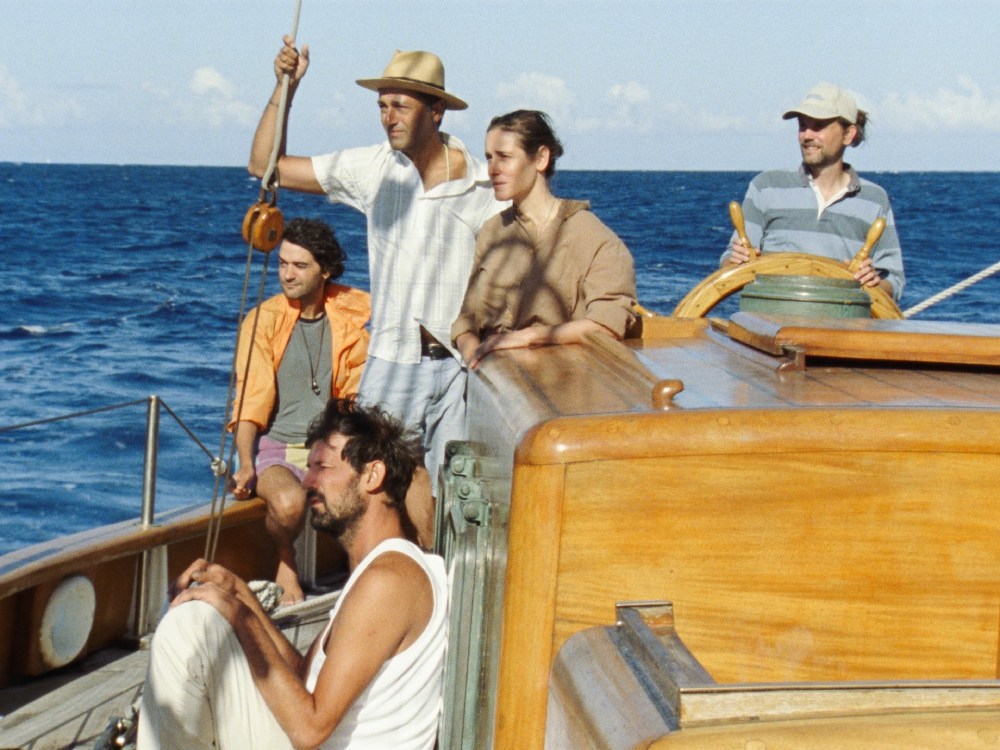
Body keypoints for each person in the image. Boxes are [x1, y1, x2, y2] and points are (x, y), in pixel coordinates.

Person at [248, 38, 504, 544]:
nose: (388, 117)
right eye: (382, 105)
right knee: (366, 487)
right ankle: (364, 592)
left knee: (451, 490)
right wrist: (286, 87)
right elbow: (265, 167)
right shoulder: (373, 169)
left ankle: (434, 586)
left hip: (459, 365)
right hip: (392, 359)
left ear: (435, 110)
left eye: (400, 105)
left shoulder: (481, 185)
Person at [139, 398, 448, 750]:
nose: (307, 482)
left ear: (372, 476)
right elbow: (304, 681)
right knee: (202, 618)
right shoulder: (385, 570)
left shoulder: (389, 580)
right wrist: (240, 595)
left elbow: (309, 731)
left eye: (323, 467)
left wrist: (240, 617)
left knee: (189, 627)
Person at [229, 217, 369, 605]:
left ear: (325, 269)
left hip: (329, 448)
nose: (287, 275)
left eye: (300, 265)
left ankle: (363, 575)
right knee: (289, 504)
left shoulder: (352, 321)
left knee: (369, 494)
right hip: (275, 451)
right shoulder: (262, 321)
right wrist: (244, 463)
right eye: (282, 264)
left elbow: (355, 401)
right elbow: (248, 402)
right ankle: (286, 559)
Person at [451, 110, 637, 370]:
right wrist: (473, 353)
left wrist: (526, 338)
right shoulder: (492, 232)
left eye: (504, 157)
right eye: (489, 158)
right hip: (495, 386)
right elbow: (466, 320)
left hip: (563, 389)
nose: (493, 169)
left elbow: (607, 325)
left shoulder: (594, 238)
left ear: (540, 158)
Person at [721, 82, 905, 300]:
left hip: (838, 330)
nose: (806, 135)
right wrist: (735, 261)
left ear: (848, 134)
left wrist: (873, 282)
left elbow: (894, 281)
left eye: (818, 126)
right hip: (769, 327)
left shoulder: (874, 199)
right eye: (802, 125)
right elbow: (727, 265)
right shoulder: (766, 187)